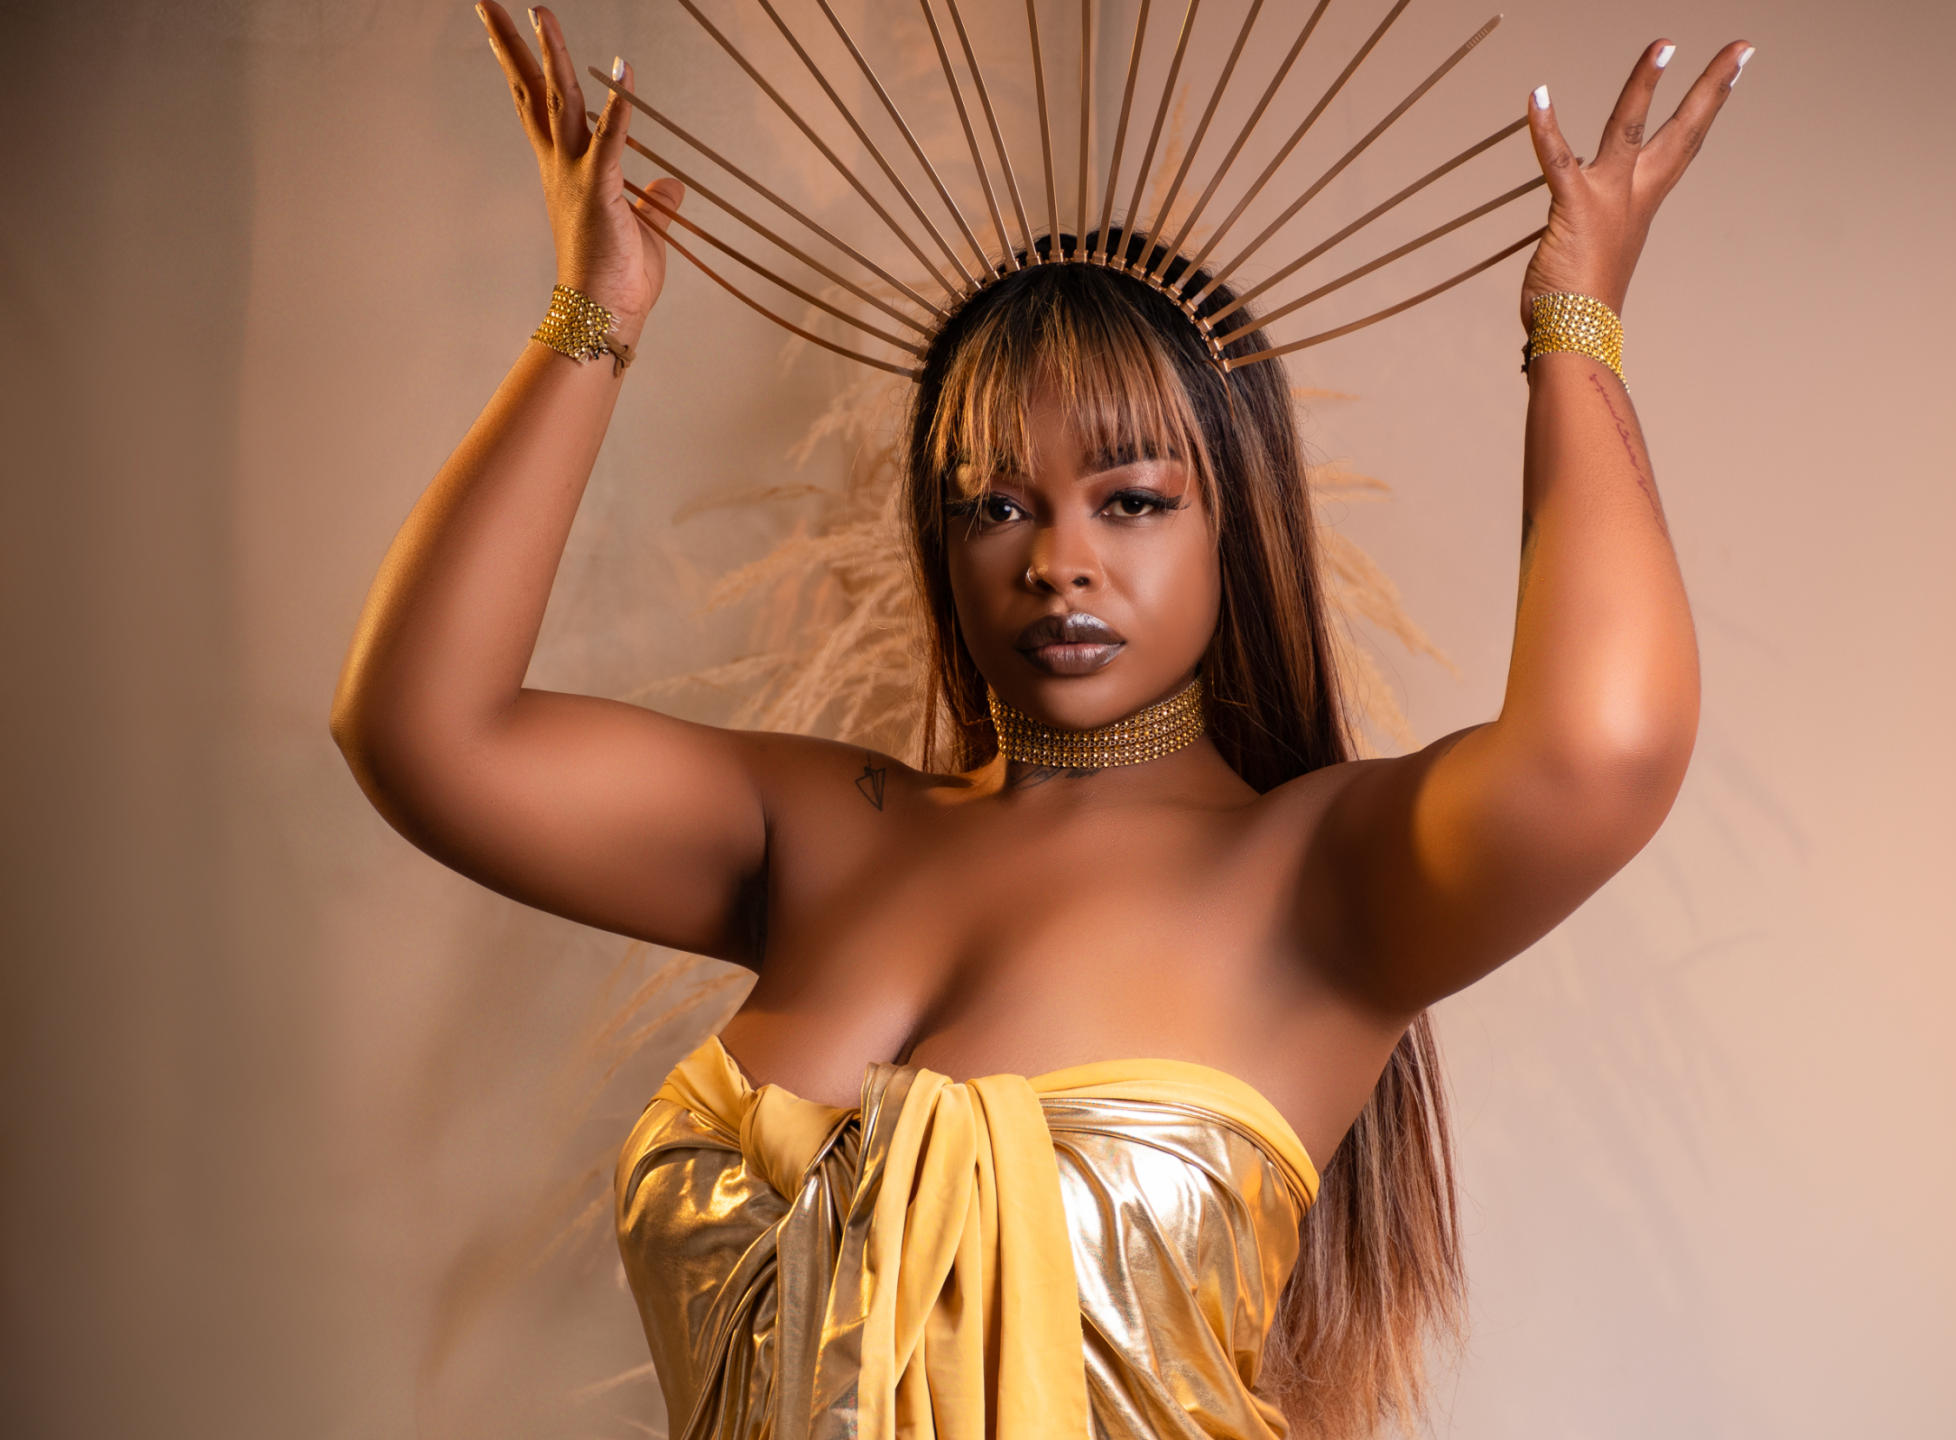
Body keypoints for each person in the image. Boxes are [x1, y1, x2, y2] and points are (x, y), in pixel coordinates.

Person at [331, 3, 1742, 1435]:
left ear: (1234, 518)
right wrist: (595, 316)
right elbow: (424, 731)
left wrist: (1576, 322)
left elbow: (1603, 751)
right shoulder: (818, 832)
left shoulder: (1313, 884)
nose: (1059, 560)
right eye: (995, 504)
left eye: (1131, 501)